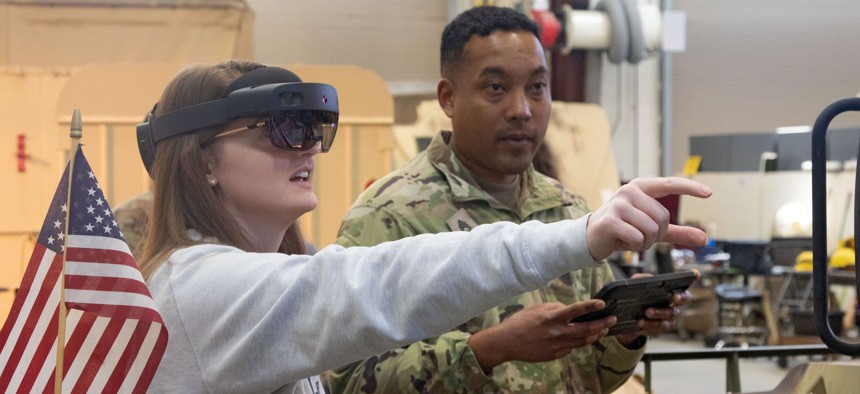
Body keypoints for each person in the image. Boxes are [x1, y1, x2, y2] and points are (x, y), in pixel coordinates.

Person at [135, 59, 710, 393]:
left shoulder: (275, 270)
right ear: (201, 160)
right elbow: (375, 284)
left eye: (314, 130)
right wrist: (579, 236)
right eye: (281, 129)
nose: (308, 147)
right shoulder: (198, 288)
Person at [328, 6, 695, 393]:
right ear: (448, 98)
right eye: (496, 88)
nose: (522, 110)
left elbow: (589, 376)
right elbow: (348, 380)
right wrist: (489, 350)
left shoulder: (567, 210)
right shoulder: (389, 216)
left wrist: (625, 335)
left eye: (537, 88)